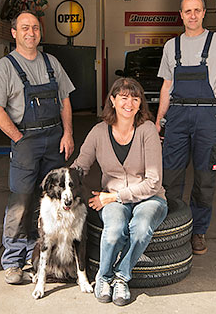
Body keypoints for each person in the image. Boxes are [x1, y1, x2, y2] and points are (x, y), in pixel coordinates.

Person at [0, 10, 75, 284]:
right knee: (21, 200)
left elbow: (65, 101)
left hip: (55, 138)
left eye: (35, 28)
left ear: (40, 32)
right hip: (26, 139)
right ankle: (13, 261)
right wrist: (18, 138)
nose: (31, 33)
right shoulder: (5, 67)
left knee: (54, 201)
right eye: (24, 28)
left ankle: (46, 258)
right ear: (14, 33)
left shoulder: (51, 62)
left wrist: (68, 133)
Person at [155, 0, 216, 255]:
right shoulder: (171, 47)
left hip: (209, 117)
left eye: (197, 10)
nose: (192, 15)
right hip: (178, 117)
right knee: (170, 175)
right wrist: (159, 120)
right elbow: (167, 86)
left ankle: (198, 232)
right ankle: (170, 228)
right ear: (180, 14)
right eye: (187, 11)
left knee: (205, 178)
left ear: (204, 13)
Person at [71, 78, 168, 306]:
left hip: (149, 198)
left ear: (140, 103)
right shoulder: (98, 132)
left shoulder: (147, 131)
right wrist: (60, 183)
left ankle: (121, 277)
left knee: (141, 228)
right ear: (113, 100)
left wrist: (113, 197)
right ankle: (103, 278)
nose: (130, 103)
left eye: (135, 98)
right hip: (113, 197)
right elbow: (80, 167)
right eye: (123, 97)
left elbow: (153, 182)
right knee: (114, 231)